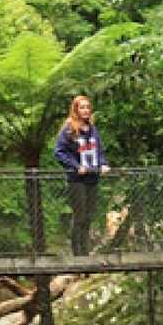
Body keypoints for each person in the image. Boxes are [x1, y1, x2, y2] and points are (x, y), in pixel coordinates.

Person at [53, 95, 109, 256]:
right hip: (77, 180)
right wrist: (76, 166)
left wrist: (103, 164)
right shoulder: (69, 129)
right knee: (79, 216)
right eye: (81, 107)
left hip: (93, 177)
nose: (85, 110)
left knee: (89, 216)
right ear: (76, 109)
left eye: (87, 107)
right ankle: (77, 253)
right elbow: (59, 152)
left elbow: (99, 150)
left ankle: (86, 252)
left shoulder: (92, 129)